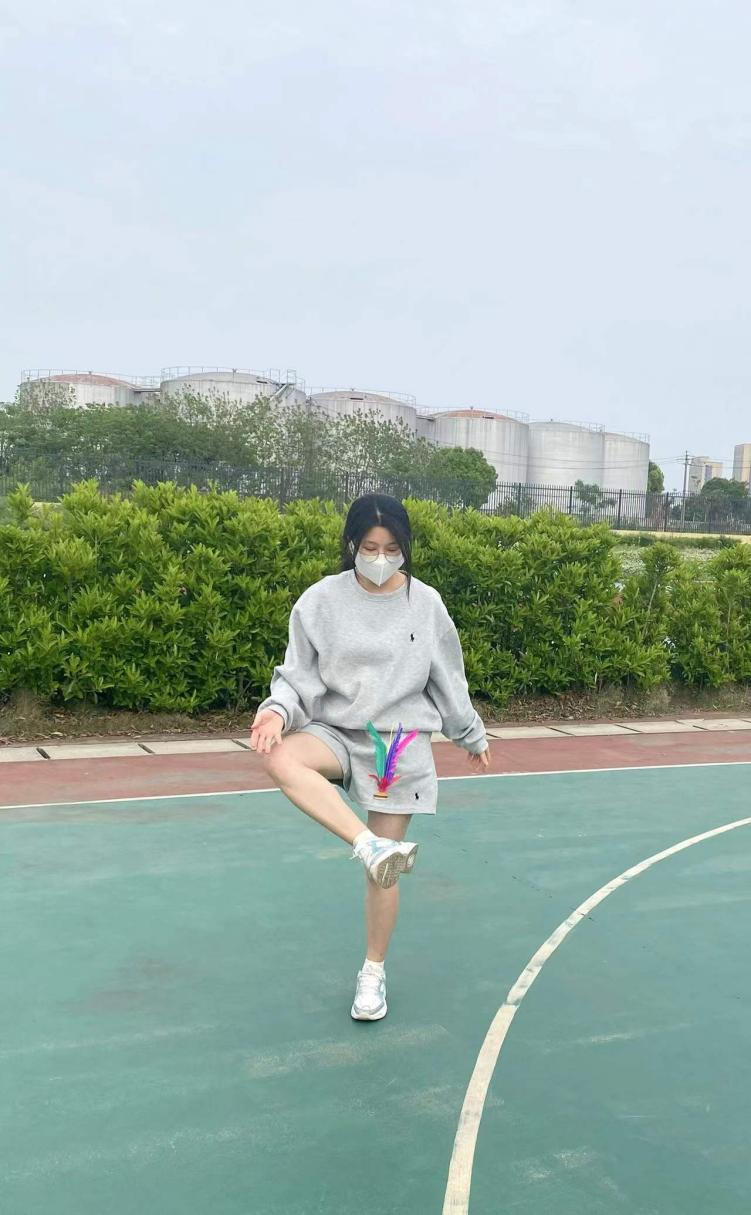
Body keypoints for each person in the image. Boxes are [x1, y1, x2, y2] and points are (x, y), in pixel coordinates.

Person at [250, 493, 490, 1020]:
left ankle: (373, 974)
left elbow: (448, 679)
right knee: (281, 759)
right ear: (351, 545)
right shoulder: (320, 601)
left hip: (395, 745)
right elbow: (297, 676)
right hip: (336, 729)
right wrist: (276, 712)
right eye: (370, 547)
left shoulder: (425, 604)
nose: (381, 558)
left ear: (406, 548)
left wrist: (470, 734)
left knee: (384, 876)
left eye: (392, 548)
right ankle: (367, 845)